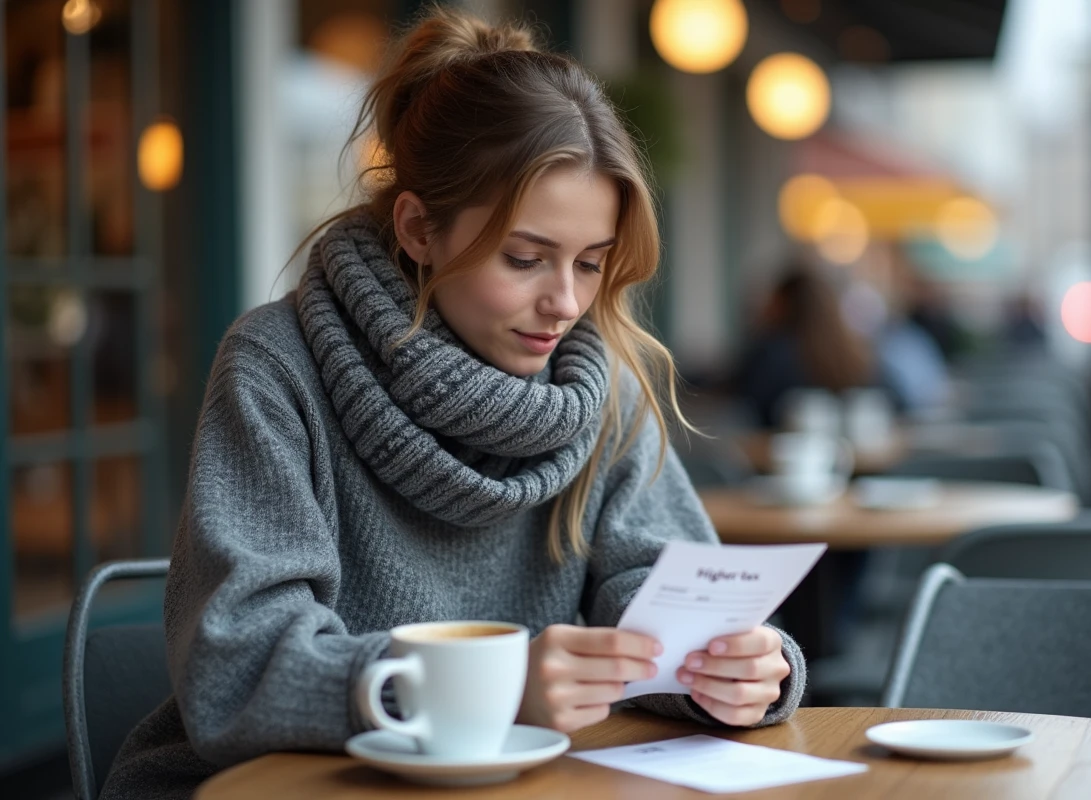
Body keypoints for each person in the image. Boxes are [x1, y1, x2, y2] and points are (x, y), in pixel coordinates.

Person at [100, 10, 804, 799]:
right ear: (419, 228)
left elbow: (659, 594)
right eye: (526, 258)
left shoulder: (603, 388)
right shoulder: (277, 366)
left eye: (591, 263)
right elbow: (240, 667)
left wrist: (739, 668)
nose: (566, 301)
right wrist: (490, 686)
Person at [737, 265, 877, 427]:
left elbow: (747, 406)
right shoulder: (855, 353)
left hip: (774, 447)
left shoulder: (773, 354)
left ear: (782, 304)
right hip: (847, 447)